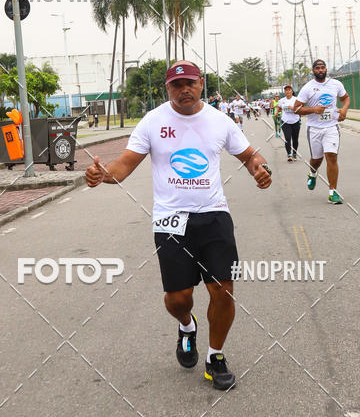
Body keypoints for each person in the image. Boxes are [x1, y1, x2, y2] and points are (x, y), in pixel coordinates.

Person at [85, 60, 272, 390]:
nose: (184, 89)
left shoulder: (220, 121)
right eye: (177, 84)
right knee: (178, 298)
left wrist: (260, 167)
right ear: (167, 88)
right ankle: (187, 325)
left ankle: (215, 357)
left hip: (214, 215)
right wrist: (103, 174)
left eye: (190, 83)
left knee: (223, 290)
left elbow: (249, 155)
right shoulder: (153, 122)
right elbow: (124, 165)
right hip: (171, 219)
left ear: (201, 84)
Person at [294, 59, 350, 204]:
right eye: (317, 68)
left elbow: (346, 98)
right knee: (317, 160)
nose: (320, 70)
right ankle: (313, 173)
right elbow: (296, 108)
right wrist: (313, 109)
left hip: (331, 127)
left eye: (322, 67)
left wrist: (344, 110)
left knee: (331, 157)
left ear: (326, 69)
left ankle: (333, 192)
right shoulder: (307, 88)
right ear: (313, 71)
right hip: (314, 129)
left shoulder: (336, 84)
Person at [278, 84, 300, 161]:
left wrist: (293, 108)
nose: (287, 91)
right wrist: (277, 112)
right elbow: (279, 107)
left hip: (295, 121)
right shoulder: (282, 100)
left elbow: (300, 109)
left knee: (295, 139)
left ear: (292, 91)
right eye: (286, 90)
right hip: (285, 122)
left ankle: (294, 153)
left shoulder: (296, 99)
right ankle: (289, 154)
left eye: (289, 90)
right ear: (284, 92)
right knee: (287, 138)